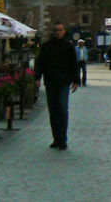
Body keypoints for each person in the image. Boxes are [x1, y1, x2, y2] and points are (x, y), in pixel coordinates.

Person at [34, 22, 80, 150]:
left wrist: (76, 81)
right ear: (52, 31)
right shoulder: (46, 47)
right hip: (50, 81)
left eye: (60, 30)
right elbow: (40, 63)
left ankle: (63, 139)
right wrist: (37, 77)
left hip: (64, 82)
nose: (58, 32)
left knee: (62, 109)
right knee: (53, 111)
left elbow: (74, 64)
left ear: (63, 31)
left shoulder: (68, 46)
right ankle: (56, 138)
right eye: (56, 30)